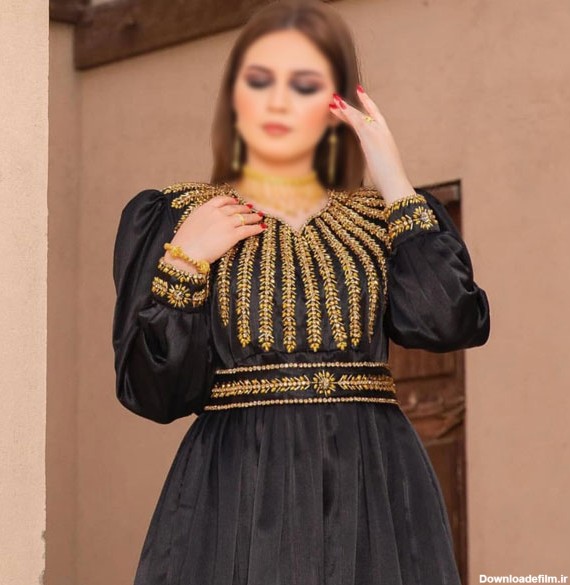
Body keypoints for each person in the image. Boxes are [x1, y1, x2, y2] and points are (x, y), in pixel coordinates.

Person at [111, 1, 491, 583]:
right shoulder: (177, 216)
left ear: (338, 103)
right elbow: (152, 394)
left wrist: (394, 182)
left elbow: (449, 322)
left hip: (376, 491)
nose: (278, 101)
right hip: (236, 495)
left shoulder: (385, 219)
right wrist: (186, 261)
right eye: (259, 80)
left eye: (304, 83)